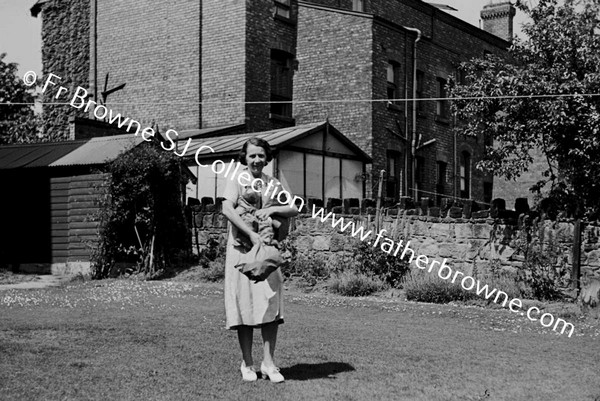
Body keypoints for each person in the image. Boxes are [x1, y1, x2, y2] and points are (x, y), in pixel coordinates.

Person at [221, 137, 299, 383]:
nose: (256, 160)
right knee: (244, 305)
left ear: (268, 158)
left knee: (270, 303)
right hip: (242, 250)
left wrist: (272, 209)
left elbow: (294, 208)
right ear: (244, 157)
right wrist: (250, 233)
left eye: (261, 156)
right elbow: (226, 208)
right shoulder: (236, 178)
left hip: (267, 252)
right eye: (252, 155)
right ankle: (247, 363)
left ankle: (269, 363)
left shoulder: (272, 183)